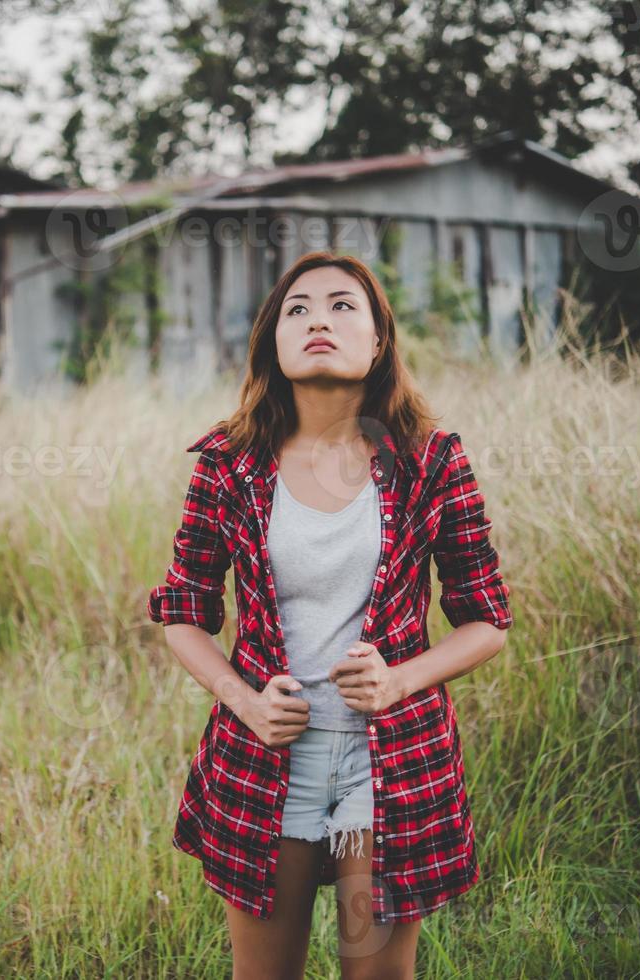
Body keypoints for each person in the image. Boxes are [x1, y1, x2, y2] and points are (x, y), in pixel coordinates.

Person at [147, 250, 513, 979]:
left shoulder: (430, 460)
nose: (319, 318)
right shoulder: (228, 463)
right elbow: (182, 611)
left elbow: (486, 619)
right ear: (273, 345)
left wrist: (401, 680)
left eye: (344, 305)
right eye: (298, 308)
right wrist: (243, 701)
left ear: (378, 341)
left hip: (390, 758)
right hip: (268, 755)